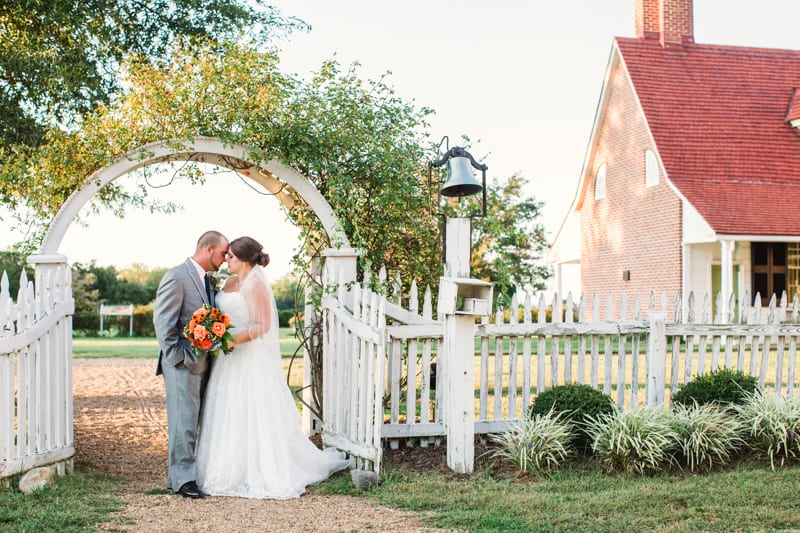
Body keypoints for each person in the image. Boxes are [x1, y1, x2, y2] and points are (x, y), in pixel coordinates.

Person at [196, 236, 351, 499]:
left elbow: (261, 326)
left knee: (251, 411)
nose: (227, 260)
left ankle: (259, 469)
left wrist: (226, 339)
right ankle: (225, 465)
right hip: (227, 359)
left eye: (231, 256)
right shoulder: (230, 281)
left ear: (244, 259)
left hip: (247, 358)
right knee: (226, 409)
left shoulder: (255, 284)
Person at [154, 230, 229, 499]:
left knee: (195, 420)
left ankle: (186, 474)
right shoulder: (177, 276)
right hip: (182, 364)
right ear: (209, 249)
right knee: (182, 421)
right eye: (223, 253)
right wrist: (178, 358)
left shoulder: (207, 281)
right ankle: (182, 479)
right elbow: (164, 323)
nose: (225, 259)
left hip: (203, 364)